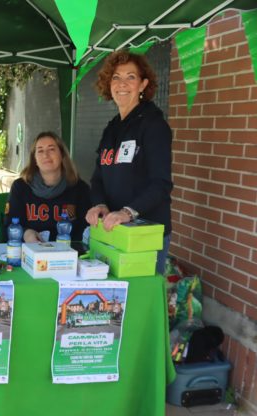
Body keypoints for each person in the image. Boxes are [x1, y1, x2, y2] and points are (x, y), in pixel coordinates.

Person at [85, 50, 173, 273]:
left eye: (130, 77)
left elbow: (161, 184)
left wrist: (127, 212)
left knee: (140, 293)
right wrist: (99, 204)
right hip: (114, 231)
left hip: (144, 235)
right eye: (116, 77)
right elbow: (98, 177)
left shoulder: (154, 126)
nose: (122, 83)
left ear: (143, 84)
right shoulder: (111, 128)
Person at [5, 131, 91, 243]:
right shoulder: (20, 187)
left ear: (62, 155)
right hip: (30, 250)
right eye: (40, 151)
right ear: (34, 159)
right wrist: (25, 233)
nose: (45, 155)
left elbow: (87, 229)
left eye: (51, 149)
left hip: (68, 251)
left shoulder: (80, 188)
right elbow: (9, 225)